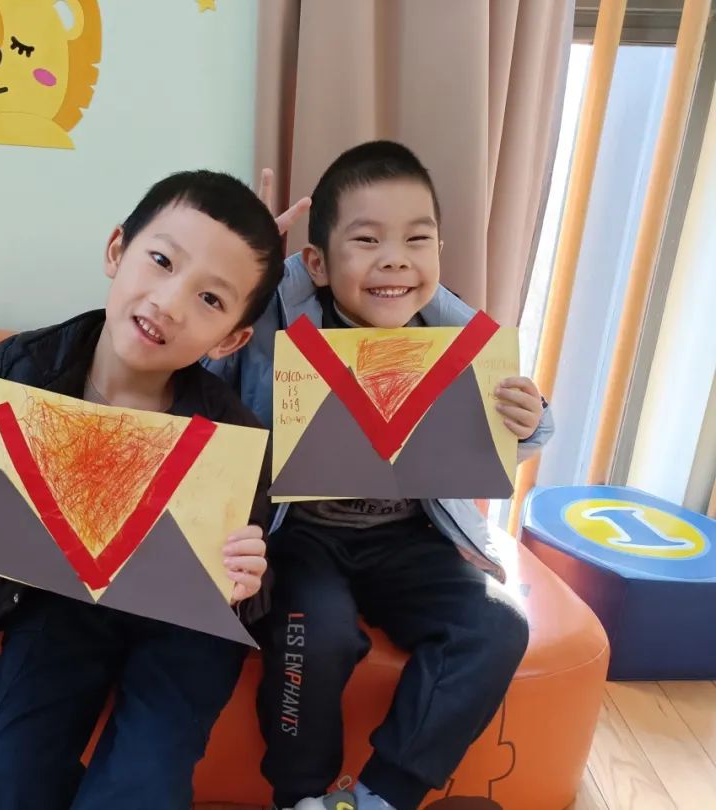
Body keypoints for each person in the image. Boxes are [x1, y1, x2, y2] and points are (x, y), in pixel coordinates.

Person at [0, 169, 287, 809]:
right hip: (58, 603)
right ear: (116, 250)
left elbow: (245, 586)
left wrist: (247, 579)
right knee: (7, 778)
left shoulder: (234, 435)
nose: (170, 303)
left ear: (232, 338)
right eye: (161, 261)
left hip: (182, 627)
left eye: (211, 299)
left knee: (143, 787)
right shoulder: (19, 369)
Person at [206, 142, 554, 810]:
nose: (395, 259)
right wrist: (246, 271)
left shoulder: (458, 334)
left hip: (412, 538)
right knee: (315, 631)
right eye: (367, 240)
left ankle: (381, 797)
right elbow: (204, 379)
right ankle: (300, 796)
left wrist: (529, 417)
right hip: (301, 537)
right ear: (318, 263)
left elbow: (513, 432)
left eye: (417, 240)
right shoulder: (276, 318)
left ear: (438, 252)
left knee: (498, 626)